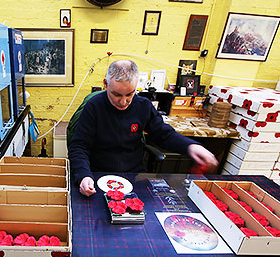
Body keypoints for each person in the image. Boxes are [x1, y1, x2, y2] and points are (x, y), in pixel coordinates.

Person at [68, 60, 218, 196]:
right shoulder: (94, 106)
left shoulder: (143, 106)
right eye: (116, 94)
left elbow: (164, 134)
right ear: (106, 84)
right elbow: (79, 146)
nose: (123, 102)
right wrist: (83, 175)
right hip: (97, 175)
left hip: (133, 177)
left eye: (130, 94)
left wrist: (191, 146)